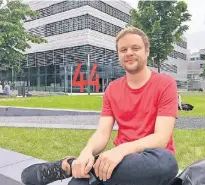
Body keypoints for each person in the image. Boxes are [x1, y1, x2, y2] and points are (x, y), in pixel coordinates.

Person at [21, 27, 179, 185]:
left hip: (149, 160)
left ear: (146, 52)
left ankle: (71, 166)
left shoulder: (165, 83)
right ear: (118, 55)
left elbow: (161, 138)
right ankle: (88, 167)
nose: (129, 52)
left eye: (135, 48)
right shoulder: (112, 89)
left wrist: (121, 151)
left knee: (167, 163)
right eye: (123, 49)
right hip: (123, 164)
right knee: (76, 183)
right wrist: (86, 152)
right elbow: (102, 133)